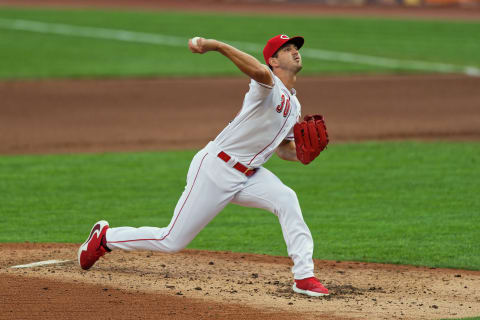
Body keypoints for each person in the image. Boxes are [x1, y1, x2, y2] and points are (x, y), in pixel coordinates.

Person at [78, 34, 329, 297]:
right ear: (273, 61)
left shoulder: (294, 105)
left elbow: (283, 150)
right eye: (287, 50)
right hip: (216, 169)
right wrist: (216, 45)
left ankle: (304, 276)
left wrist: (301, 155)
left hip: (250, 176)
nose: (295, 52)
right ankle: (105, 238)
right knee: (171, 240)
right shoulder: (268, 85)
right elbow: (257, 70)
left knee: (287, 199)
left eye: (295, 48)